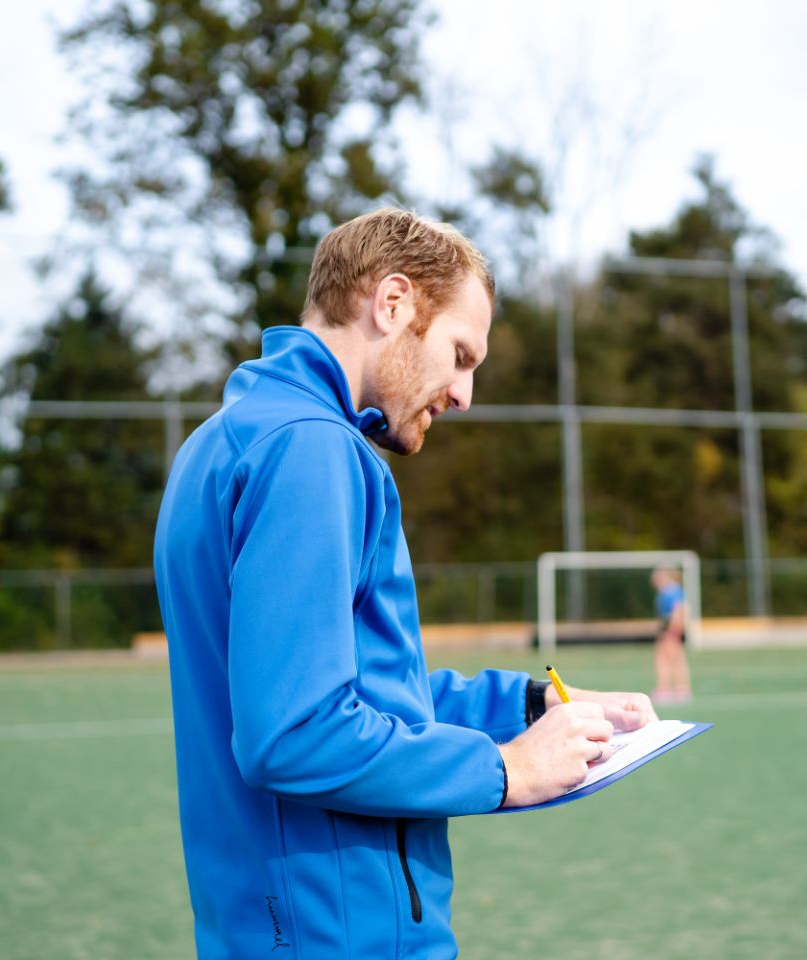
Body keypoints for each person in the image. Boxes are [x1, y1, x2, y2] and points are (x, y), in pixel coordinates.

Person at [154, 208, 657, 959]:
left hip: (271, 927)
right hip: (339, 933)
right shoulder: (310, 451)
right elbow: (294, 733)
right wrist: (506, 768)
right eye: (460, 354)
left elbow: (351, 686)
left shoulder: (226, 440)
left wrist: (526, 704)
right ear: (392, 305)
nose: (464, 394)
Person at [650, 567, 692, 704]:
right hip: (667, 628)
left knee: (669, 659)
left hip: (671, 629)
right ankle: (678, 688)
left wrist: (673, 630)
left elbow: (678, 610)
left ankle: (668, 689)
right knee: (670, 658)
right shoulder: (666, 591)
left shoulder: (672, 591)